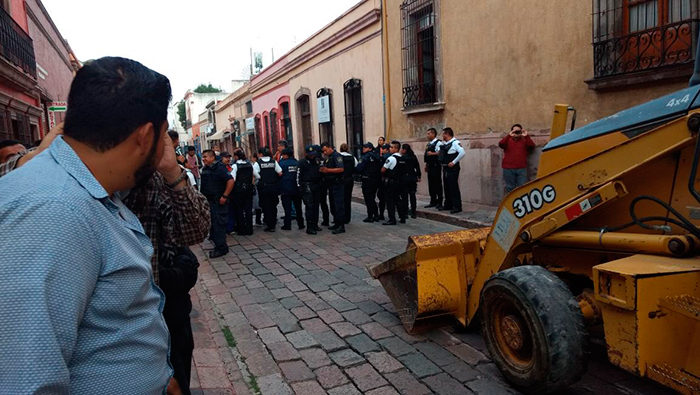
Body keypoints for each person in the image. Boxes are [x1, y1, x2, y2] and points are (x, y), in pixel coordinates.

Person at [0, 56, 177, 394]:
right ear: (146, 136)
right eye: (164, 135)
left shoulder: (90, 192)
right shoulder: (52, 210)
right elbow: (25, 380)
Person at [201, 149, 234, 258]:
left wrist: (224, 196)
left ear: (212, 157)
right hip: (209, 201)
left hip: (218, 201)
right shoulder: (206, 169)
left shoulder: (219, 168)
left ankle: (221, 248)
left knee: (219, 224)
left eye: (205, 157)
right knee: (213, 225)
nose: (203, 159)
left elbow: (230, 181)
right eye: (203, 157)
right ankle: (218, 245)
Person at [499, 123, 535, 193]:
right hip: (508, 168)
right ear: (511, 131)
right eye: (514, 131)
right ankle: (510, 203)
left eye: (518, 131)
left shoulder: (524, 140)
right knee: (509, 187)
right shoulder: (507, 140)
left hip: (521, 168)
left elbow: (532, 146)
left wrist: (526, 136)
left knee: (522, 188)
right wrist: (509, 135)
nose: (516, 132)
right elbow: (501, 144)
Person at [254, 147, 282, 232]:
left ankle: (268, 224)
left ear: (261, 154)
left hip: (263, 187)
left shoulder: (257, 163)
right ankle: (273, 224)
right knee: (273, 205)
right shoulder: (274, 162)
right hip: (273, 187)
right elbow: (280, 173)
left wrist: (260, 177)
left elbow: (254, 173)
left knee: (265, 206)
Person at [320, 142, 346, 234]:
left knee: (339, 205)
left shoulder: (337, 156)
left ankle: (341, 226)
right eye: (323, 151)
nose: (324, 153)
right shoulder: (329, 157)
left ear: (330, 147)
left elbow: (341, 169)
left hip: (337, 184)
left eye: (325, 150)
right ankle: (337, 222)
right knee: (333, 205)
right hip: (331, 184)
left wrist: (327, 170)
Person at [439, 127, 465, 214]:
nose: (442, 136)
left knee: (453, 187)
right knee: (446, 186)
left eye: (443, 134)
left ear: (447, 134)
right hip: (445, 168)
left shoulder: (455, 143)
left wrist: (454, 162)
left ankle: (457, 206)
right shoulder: (446, 144)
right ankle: (448, 204)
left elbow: (462, 152)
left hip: (453, 169)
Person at [298, 145, 323, 235]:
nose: (312, 156)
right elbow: (298, 176)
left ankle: (315, 224)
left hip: (316, 185)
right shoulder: (302, 162)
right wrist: (300, 188)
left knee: (316, 206)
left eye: (313, 154)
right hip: (307, 186)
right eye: (310, 154)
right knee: (309, 207)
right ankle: (310, 227)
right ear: (306, 154)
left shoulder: (317, 161)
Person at [231, 150, 256, 236]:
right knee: (248, 210)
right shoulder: (250, 165)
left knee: (239, 210)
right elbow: (256, 175)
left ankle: (241, 229)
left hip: (238, 190)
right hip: (248, 189)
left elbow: (232, 179)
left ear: (236, 157)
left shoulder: (235, 166)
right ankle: (250, 229)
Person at [279, 147, 305, 230]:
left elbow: (278, 174)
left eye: (282, 155)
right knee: (298, 208)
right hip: (296, 189)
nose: (282, 156)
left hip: (286, 189)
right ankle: (301, 224)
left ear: (286, 155)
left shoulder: (282, 164)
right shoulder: (297, 163)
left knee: (287, 209)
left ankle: (287, 225)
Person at [356, 142, 382, 222]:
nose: (363, 148)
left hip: (367, 180)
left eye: (365, 147)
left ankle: (370, 216)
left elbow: (359, 168)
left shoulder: (366, 157)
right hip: (376, 180)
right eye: (363, 147)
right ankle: (376, 215)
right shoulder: (377, 156)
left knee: (368, 199)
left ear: (370, 148)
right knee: (372, 198)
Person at [423, 128, 443, 209]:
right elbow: (427, 156)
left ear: (433, 134)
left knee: (437, 184)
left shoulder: (438, 143)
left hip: (436, 166)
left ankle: (440, 202)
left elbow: (440, 152)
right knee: (431, 185)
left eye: (429, 134)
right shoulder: (429, 144)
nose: (427, 135)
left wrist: (432, 153)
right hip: (430, 166)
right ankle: (433, 201)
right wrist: (426, 165)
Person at [401, 143, 421, 218]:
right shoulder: (413, 156)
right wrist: (418, 176)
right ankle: (413, 212)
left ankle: (405, 212)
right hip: (412, 178)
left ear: (404, 150)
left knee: (405, 196)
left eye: (402, 149)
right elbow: (417, 166)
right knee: (412, 195)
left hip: (405, 179)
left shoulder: (403, 158)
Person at [339, 143, 358, 224]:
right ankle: (347, 217)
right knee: (347, 199)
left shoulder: (338, 156)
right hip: (349, 179)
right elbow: (356, 166)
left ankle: (340, 217)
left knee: (339, 199)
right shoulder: (352, 157)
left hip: (340, 179)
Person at [376, 143, 391, 221]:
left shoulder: (384, 157)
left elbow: (381, 169)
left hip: (383, 180)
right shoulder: (392, 157)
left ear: (386, 150)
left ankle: (382, 215)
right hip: (389, 180)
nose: (381, 150)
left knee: (382, 198)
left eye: (383, 149)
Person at [251, 152, 263, 226]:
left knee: (257, 204)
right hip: (261, 185)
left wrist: (253, 183)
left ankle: (258, 220)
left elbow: (255, 176)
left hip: (257, 186)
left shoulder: (256, 164)